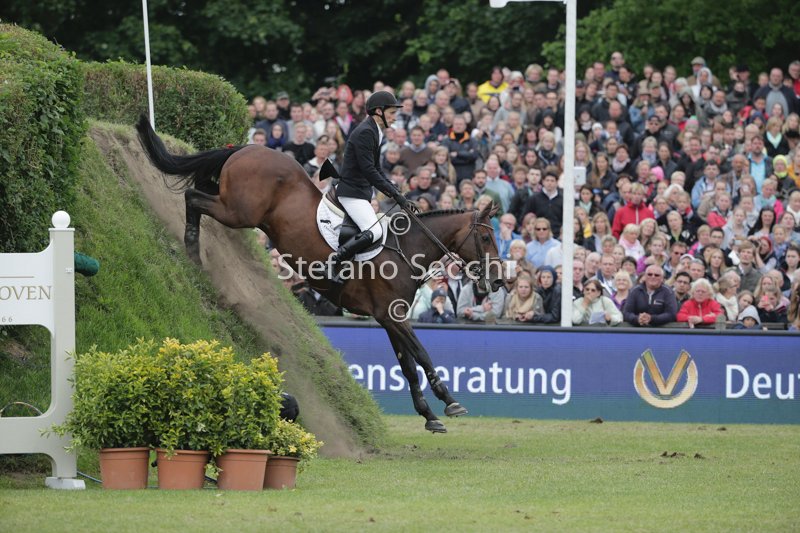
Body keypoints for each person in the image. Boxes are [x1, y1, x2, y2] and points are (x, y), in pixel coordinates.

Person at [329, 91, 411, 287]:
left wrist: (394, 190)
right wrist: (394, 194)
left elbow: (377, 168)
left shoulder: (375, 131)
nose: (394, 117)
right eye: (392, 113)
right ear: (379, 111)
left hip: (361, 191)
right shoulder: (366, 132)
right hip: (352, 192)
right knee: (374, 231)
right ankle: (334, 261)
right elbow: (369, 171)